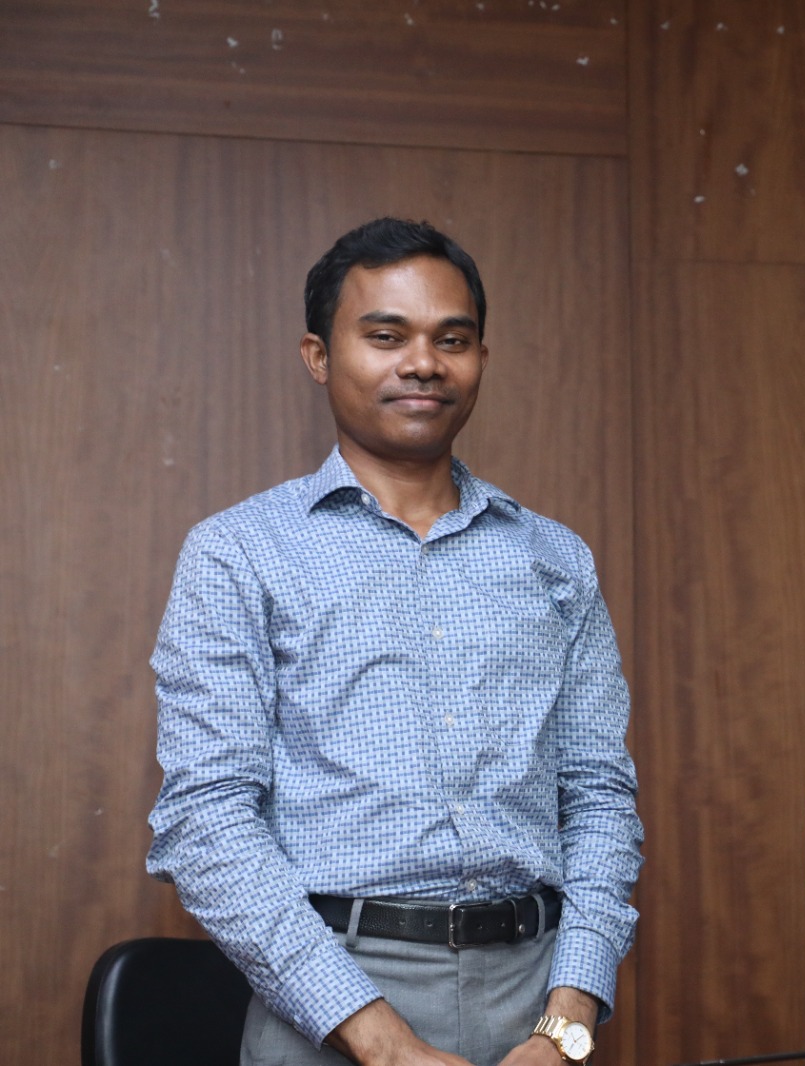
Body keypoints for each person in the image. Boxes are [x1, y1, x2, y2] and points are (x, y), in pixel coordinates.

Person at [148, 218, 643, 1066]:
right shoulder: (239, 552)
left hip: (536, 999)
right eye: (386, 336)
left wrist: (568, 1022)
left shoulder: (556, 558)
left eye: (452, 339)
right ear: (318, 356)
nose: (424, 363)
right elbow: (207, 819)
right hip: (329, 1000)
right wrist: (381, 1043)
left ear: (480, 357)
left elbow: (599, 798)